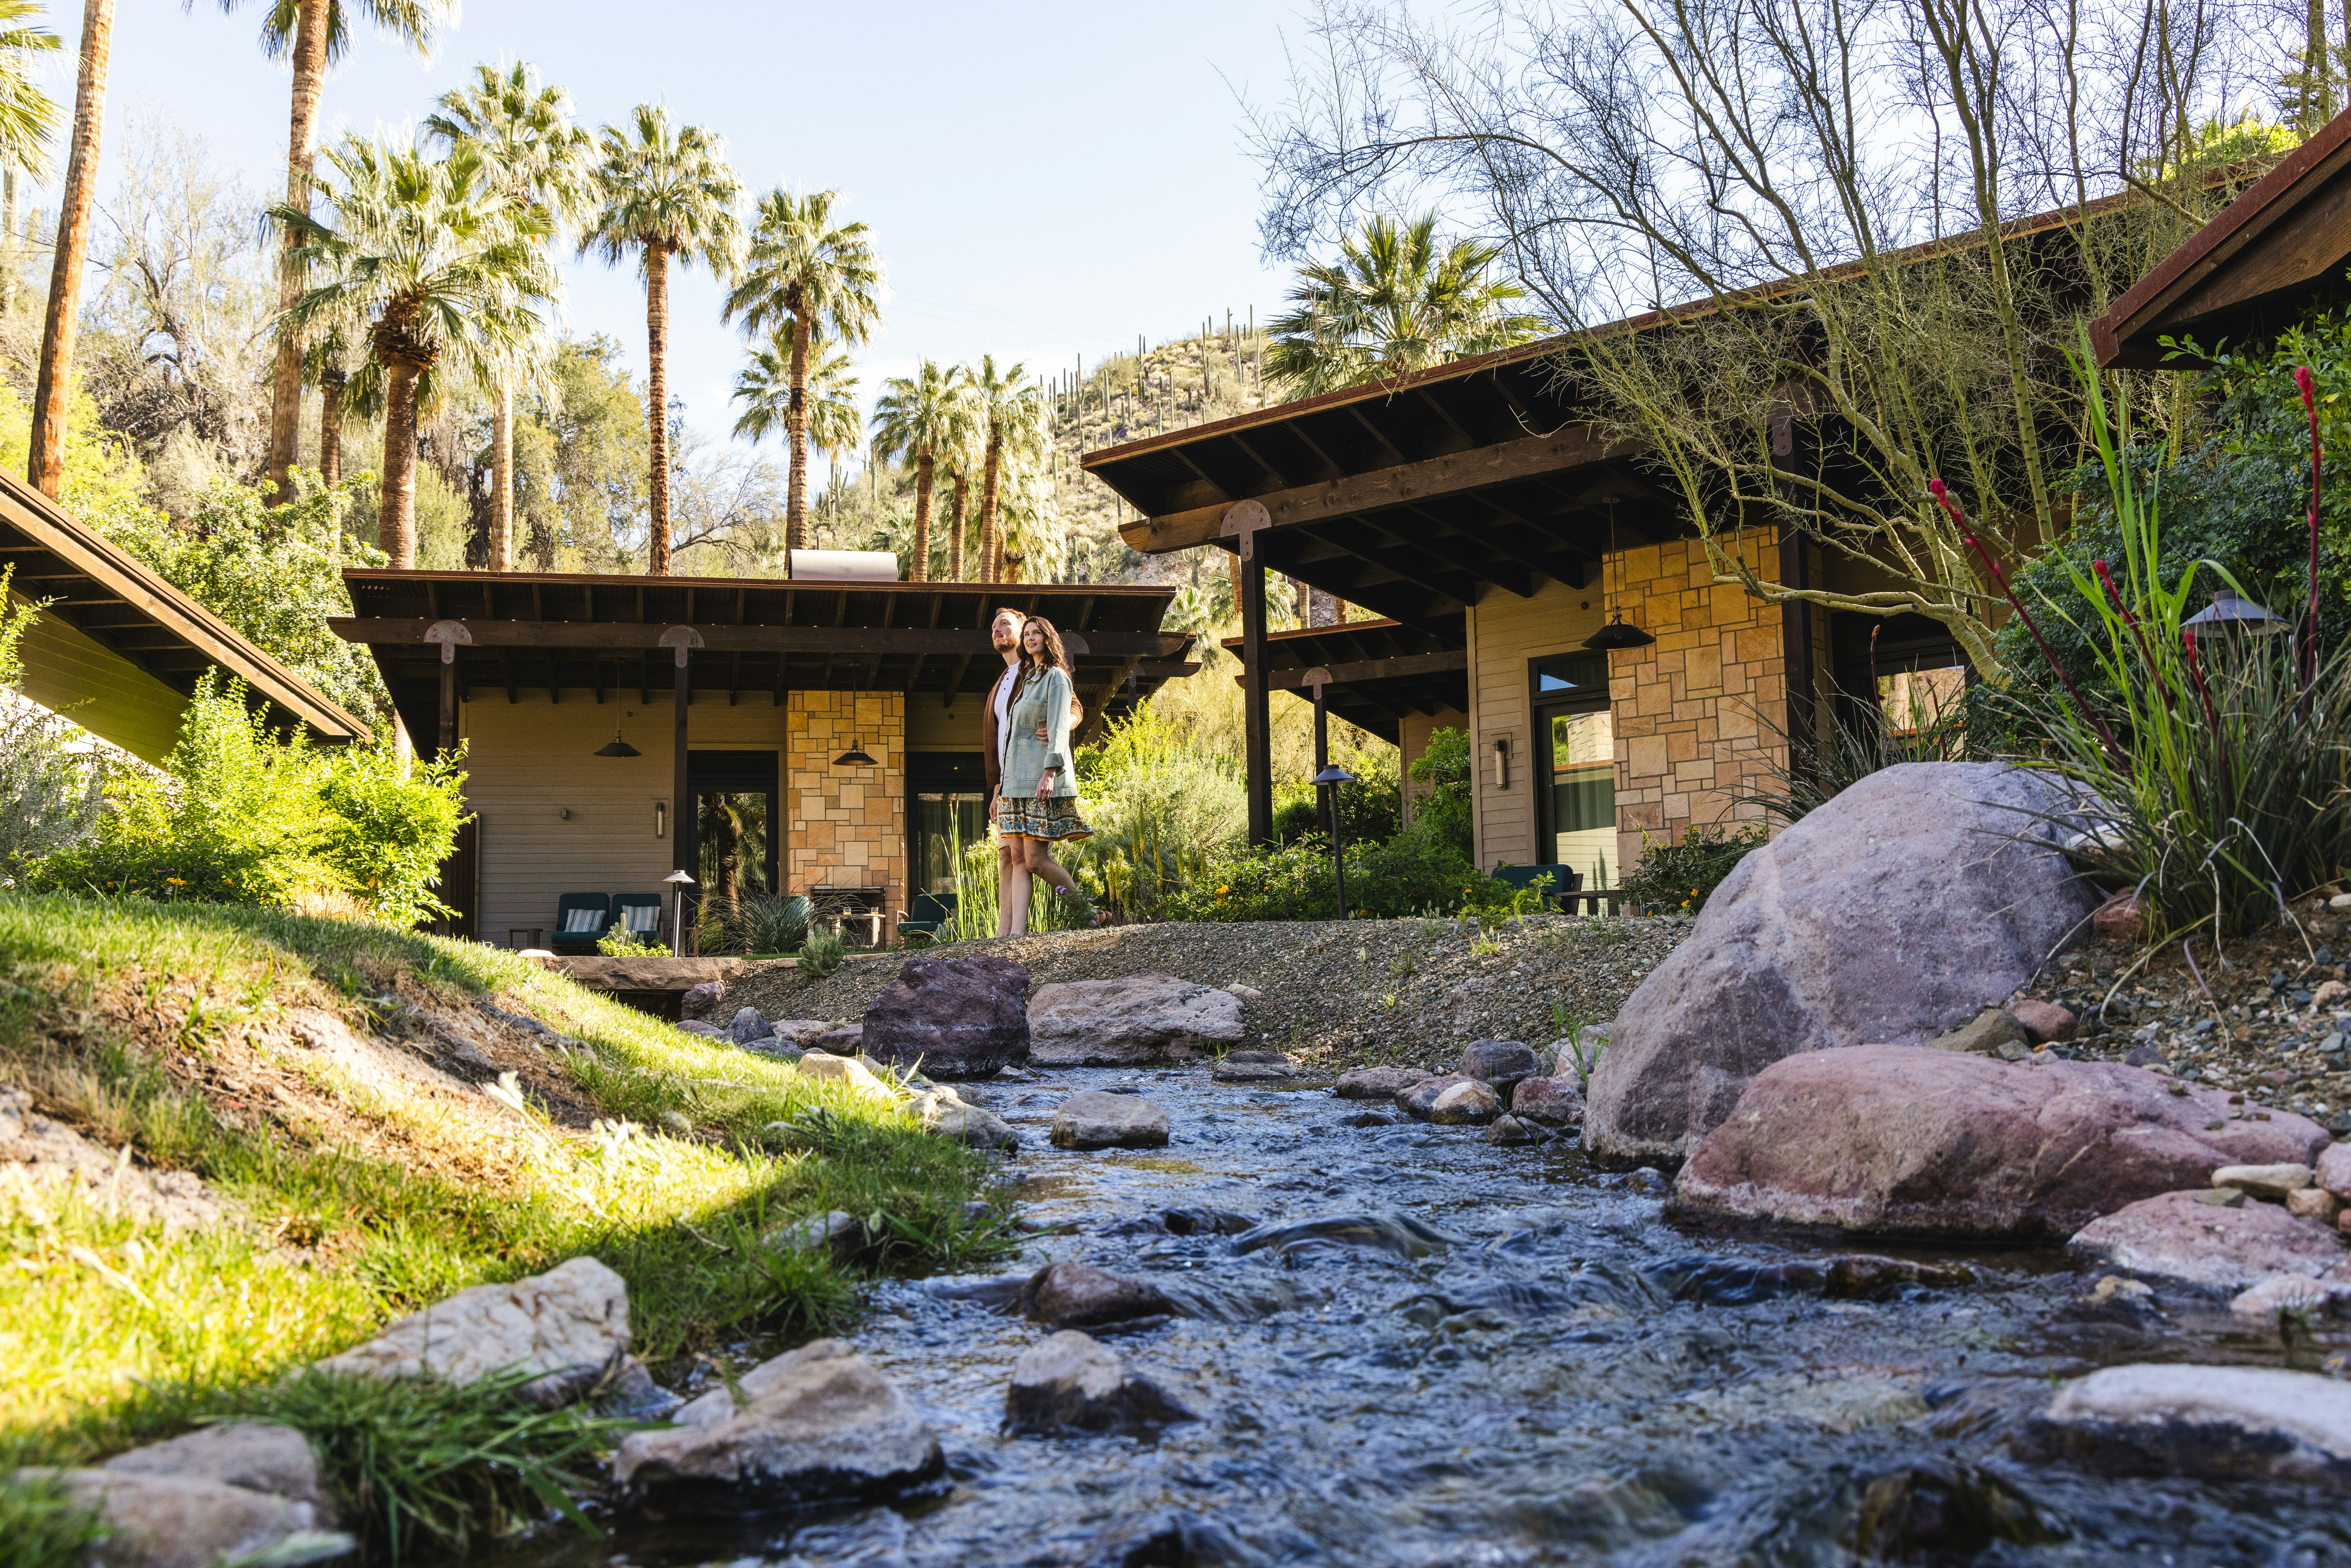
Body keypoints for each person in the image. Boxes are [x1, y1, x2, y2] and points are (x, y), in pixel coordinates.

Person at [996, 615, 1094, 928]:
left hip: (1039, 780)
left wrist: (1050, 772)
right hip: (1014, 784)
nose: (1030, 638)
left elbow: (1060, 728)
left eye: (1037, 633)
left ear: (1048, 638)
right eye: (1027, 634)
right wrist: (1001, 786)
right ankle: (1016, 934)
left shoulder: (1057, 677)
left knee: (1036, 861)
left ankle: (1085, 912)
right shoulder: (1027, 680)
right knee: (1018, 859)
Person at [978, 606, 1028, 937]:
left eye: (1005, 624)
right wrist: (995, 787)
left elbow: (1073, 707)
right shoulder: (1000, 684)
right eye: (994, 626)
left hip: (1029, 776)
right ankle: (1004, 930)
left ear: (1024, 631)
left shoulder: (1036, 670)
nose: (997, 630)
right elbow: (997, 742)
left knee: (1025, 856)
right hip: (1005, 783)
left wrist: (1057, 727)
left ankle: (1019, 931)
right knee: (1006, 857)